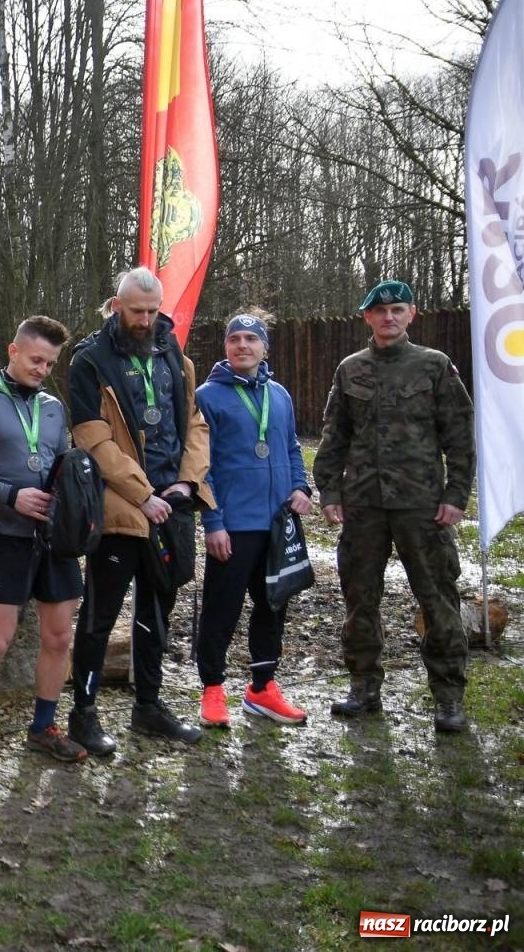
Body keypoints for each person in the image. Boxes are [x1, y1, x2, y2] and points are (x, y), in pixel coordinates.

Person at [314, 280, 475, 732]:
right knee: (359, 600)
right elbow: (334, 436)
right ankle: (364, 686)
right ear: (367, 317)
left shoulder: (434, 366)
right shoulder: (351, 370)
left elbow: (459, 437)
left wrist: (455, 495)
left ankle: (448, 697)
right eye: (379, 311)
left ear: (411, 314)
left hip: (422, 506)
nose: (388, 317)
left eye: (397, 309)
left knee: (437, 599)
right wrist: (329, 492)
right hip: (363, 505)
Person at [65, 267, 213, 752]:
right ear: (116, 305)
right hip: (122, 510)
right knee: (100, 614)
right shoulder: (89, 360)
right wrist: (142, 494)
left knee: (156, 612)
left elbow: (194, 421)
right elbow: (92, 438)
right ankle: (83, 714)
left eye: (152, 311)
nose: (146, 320)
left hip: (172, 508)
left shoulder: (173, 351)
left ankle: (148, 706)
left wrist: (187, 484)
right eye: (136, 311)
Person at [0, 316, 88, 786]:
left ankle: (44, 727)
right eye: (35, 360)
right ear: (12, 350)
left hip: (56, 541)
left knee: (58, 638)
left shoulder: (54, 407)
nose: (42, 369)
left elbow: (59, 464)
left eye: (50, 363)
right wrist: (12, 496)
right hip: (8, 537)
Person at [194, 310, 313, 728]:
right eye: (234, 339)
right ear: (225, 347)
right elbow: (200, 465)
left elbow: (291, 447)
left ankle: (262, 688)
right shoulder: (207, 396)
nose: (242, 345)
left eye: (251, 339)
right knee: (221, 609)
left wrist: (301, 487)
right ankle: (212, 689)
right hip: (233, 525)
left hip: (278, 525)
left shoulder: (280, 395)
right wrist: (213, 522)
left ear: (265, 347)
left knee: (273, 607)